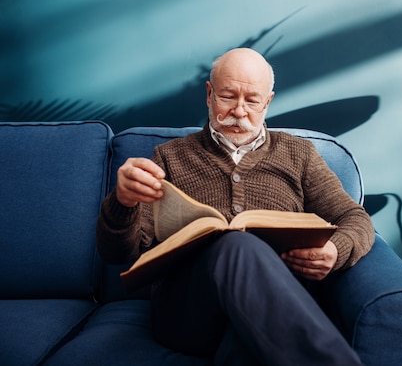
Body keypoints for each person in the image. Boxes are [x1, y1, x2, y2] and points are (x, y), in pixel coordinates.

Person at [97, 48, 375, 366]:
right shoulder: (169, 157)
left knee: (247, 344)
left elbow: (353, 217)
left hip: (275, 313)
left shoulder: (300, 155)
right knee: (235, 245)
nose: (239, 111)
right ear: (209, 94)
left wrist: (337, 250)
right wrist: (123, 201)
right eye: (227, 97)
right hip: (188, 314)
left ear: (267, 102)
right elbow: (117, 254)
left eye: (252, 101)